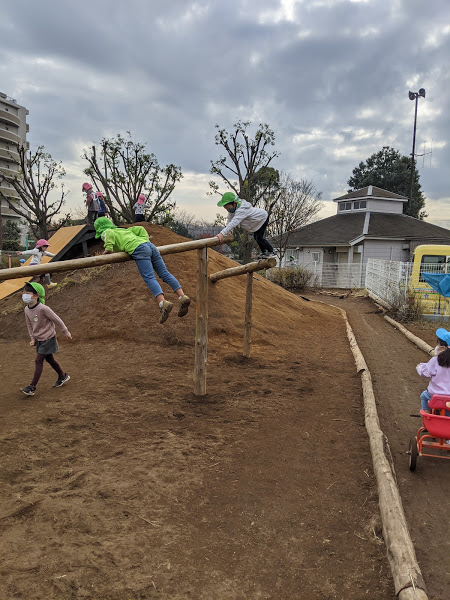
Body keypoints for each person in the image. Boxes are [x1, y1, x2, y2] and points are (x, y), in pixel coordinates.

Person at [94, 217, 191, 324]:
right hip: (150, 246)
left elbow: (108, 233)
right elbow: (140, 228)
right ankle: (182, 296)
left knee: (149, 277)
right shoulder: (124, 230)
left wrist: (108, 249)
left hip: (139, 249)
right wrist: (145, 240)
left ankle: (162, 303)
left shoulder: (106, 232)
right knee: (164, 273)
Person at [20, 282, 72, 396]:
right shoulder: (26, 310)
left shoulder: (43, 308)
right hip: (39, 339)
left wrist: (65, 331)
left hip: (48, 337)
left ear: (36, 295)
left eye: (27, 293)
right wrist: (33, 339)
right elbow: (29, 325)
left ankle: (32, 387)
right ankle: (62, 376)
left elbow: (57, 319)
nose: (24, 295)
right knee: (49, 359)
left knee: (38, 360)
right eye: (23, 292)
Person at [216, 192, 275, 259]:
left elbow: (233, 222)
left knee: (259, 237)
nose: (228, 210)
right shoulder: (234, 208)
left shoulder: (242, 209)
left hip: (262, 218)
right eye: (226, 209)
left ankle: (271, 251)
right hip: (256, 222)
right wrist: (229, 231)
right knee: (256, 237)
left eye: (228, 208)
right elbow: (229, 219)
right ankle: (265, 252)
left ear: (234, 203)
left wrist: (222, 233)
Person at [416, 328, 450, 417]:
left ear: (443, 347)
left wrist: (419, 367)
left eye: (438, 344)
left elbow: (425, 373)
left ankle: (427, 418)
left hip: (435, 395)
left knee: (424, 396)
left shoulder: (436, 360)